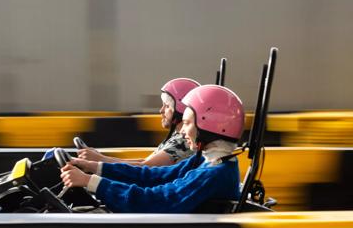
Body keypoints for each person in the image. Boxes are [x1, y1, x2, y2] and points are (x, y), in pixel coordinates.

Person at [60, 85, 245, 213]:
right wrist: (95, 169)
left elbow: (156, 201)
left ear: (210, 126)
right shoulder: (206, 161)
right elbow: (151, 176)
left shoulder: (213, 174)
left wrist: (91, 182)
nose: (182, 130)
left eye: (187, 123)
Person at [78, 78, 200, 167]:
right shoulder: (177, 137)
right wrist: (101, 159)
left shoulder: (184, 142)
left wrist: (100, 161)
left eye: (167, 106)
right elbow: (144, 161)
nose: (161, 110)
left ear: (180, 109)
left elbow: (145, 168)